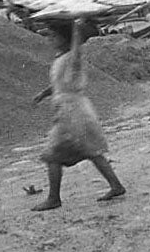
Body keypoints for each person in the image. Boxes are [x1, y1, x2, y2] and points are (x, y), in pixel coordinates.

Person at [31, 18, 126, 211]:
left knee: (52, 156)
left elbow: (77, 52)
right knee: (92, 151)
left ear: (66, 39)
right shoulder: (61, 59)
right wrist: (44, 93)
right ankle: (116, 185)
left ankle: (53, 198)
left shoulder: (73, 58)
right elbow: (60, 84)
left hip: (72, 113)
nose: (51, 40)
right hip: (75, 110)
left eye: (54, 36)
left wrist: (76, 30)